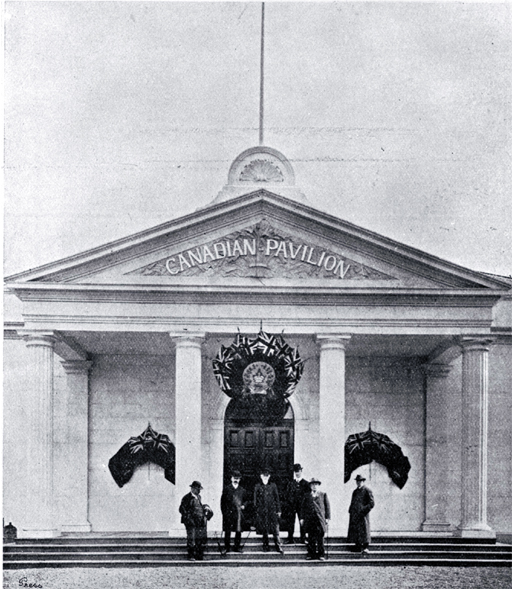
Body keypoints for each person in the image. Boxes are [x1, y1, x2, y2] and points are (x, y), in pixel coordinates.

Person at [179, 481, 213, 561]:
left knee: (199, 538)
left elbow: (199, 507)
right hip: (191, 522)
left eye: (199, 489)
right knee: (191, 538)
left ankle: (198, 555)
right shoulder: (186, 497)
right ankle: (191, 556)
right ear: (193, 489)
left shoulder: (199, 497)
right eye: (198, 489)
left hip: (199, 521)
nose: (199, 491)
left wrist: (205, 507)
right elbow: (182, 509)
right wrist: (188, 519)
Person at [253, 468, 284, 554]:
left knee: (275, 530)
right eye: (263, 475)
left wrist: (279, 510)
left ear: (269, 476)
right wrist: (257, 510)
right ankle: (266, 546)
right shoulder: (258, 486)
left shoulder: (273, 486)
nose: (265, 477)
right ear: (261, 476)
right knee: (264, 529)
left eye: (267, 475)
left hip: (272, 511)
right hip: (262, 511)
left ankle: (278, 546)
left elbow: (277, 499)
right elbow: (255, 500)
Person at [300, 477, 330, 561]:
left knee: (320, 538)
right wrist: (302, 518)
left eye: (316, 484)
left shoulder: (323, 494)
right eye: (312, 484)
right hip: (310, 520)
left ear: (318, 485)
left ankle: (321, 555)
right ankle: (311, 554)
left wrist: (327, 518)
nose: (314, 486)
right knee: (311, 538)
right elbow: (302, 508)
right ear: (310, 486)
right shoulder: (307, 495)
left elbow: (327, 507)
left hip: (319, 520)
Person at [221, 470, 248, 553]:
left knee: (238, 531)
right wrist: (224, 514)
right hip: (229, 514)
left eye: (238, 478)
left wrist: (244, 505)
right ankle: (227, 547)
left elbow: (246, 501)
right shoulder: (226, 489)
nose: (236, 480)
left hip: (238, 514)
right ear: (231, 478)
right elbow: (222, 502)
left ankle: (237, 547)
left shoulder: (242, 490)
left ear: (239, 479)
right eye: (234, 478)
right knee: (228, 531)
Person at [347, 474, 375, 554]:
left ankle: (365, 547)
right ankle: (358, 546)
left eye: (360, 481)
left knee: (364, 530)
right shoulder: (355, 491)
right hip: (355, 514)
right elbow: (352, 502)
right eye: (357, 481)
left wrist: (364, 510)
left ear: (363, 481)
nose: (358, 483)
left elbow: (372, 503)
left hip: (363, 515)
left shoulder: (367, 490)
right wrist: (350, 510)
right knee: (356, 530)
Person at [284, 463, 310, 544]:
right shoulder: (291, 483)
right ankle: (290, 539)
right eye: (295, 471)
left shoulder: (306, 483)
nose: (297, 473)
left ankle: (303, 538)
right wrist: (290, 501)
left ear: (301, 471)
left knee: (302, 522)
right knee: (290, 522)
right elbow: (287, 494)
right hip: (292, 506)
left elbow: (308, 496)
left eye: (298, 471)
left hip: (302, 506)